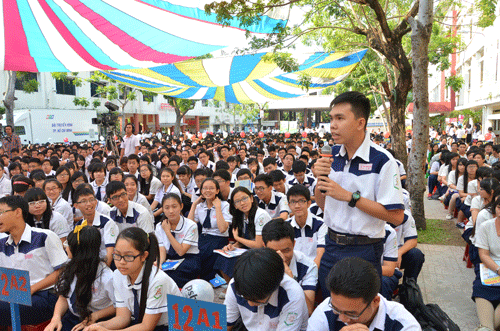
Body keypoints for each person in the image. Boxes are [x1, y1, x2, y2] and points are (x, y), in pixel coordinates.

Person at [314, 91, 404, 297]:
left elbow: (396, 217)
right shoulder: (332, 155)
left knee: (358, 314)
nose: (332, 125)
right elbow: (323, 205)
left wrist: (350, 197)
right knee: (332, 309)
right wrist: (320, 182)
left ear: (360, 123)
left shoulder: (383, 161)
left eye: (340, 118)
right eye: (331, 119)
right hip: (331, 246)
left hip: (363, 250)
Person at [85, 227, 180, 331]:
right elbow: (123, 317)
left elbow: (147, 327)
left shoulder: (158, 280)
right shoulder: (118, 274)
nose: (121, 262)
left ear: (144, 256)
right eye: (117, 255)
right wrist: (97, 327)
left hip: (170, 327)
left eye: (128, 256)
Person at [0, 195, 68, 327]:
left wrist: (30, 289)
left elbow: (62, 271)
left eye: (1, 212)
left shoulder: (45, 236)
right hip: (14, 296)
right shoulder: (2, 244)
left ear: (18, 212)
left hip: (45, 295)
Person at [307, 257, 420, 331]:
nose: (342, 318)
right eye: (336, 309)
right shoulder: (325, 311)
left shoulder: (402, 324)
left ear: (375, 301)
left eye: (351, 314)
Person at [44, 226, 115, 331]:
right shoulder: (69, 266)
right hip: (74, 317)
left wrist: (95, 316)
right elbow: (64, 297)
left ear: (80, 251)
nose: (66, 248)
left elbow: (119, 306)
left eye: (69, 245)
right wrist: (56, 317)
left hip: (99, 320)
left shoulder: (107, 277)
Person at [224, 248, 308, 331]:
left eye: (257, 300)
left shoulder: (293, 295)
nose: (250, 304)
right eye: (245, 297)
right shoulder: (237, 283)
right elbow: (220, 324)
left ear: (275, 286)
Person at [262, 219, 318, 316]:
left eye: (286, 251)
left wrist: (291, 281)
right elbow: (226, 317)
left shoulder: (308, 266)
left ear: (294, 244)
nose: (281, 257)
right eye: (274, 252)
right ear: (264, 246)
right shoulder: (253, 265)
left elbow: (308, 310)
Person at [188, 178, 232, 281]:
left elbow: (222, 229)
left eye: (211, 188)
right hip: (204, 238)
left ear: (217, 191)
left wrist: (217, 207)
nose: (208, 191)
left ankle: (209, 279)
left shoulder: (225, 205)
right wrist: (194, 205)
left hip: (219, 238)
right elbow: (190, 225)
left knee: (206, 253)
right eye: (205, 188)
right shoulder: (200, 206)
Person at [155, 193, 200, 288]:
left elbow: (181, 251)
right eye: (166, 208)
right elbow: (162, 248)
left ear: (181, 206)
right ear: (162, 209)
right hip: (170, 259)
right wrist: (160, 262)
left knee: (172, 276)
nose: (171, 211)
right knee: (156, 272)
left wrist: (168, 232)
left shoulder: (191, 225)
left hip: (188, 259)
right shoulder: (159, 226)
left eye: (174, 206)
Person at [73, 186, 119, 266]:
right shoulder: (78, 225)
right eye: (84, 201)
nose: (89, 204)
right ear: (76, 206)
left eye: (91, 200)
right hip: (87, 265)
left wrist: (101, 271)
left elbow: (110, 252)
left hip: (106, 265)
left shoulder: (106, 223)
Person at [286, 185, 327, 267]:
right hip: (293, 270)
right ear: (289, 205)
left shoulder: (320, 224)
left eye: (301, 201)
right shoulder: (286, 226)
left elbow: (320, 254)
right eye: (293, 202)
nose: (297, 206)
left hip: (315, 269)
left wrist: (310, 275)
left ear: (309, 203)